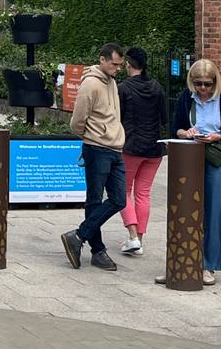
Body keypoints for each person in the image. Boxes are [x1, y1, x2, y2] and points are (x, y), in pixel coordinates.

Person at [164, 59, 221, 286]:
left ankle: (209, 264)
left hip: (218, 159)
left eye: (208, 84)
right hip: (190, 156)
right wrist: (185, 133)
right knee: (186, 209)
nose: (203, 88)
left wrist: (219, 136)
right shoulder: (186, 98)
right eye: (198, 83)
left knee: (215, 213)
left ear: (215, 82)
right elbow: (175, 128)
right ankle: (183, 262)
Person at [62, 43, 126, 272]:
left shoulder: (112, 82)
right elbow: (77, 120)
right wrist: (89, 136)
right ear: (102, 60)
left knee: (119, 199)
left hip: (115, 147)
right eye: (114, 64)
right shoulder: (90, 83)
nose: (118, 68)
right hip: (97, 147)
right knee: (94, 199)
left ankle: (78, 236)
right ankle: (98, 251)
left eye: (120, 65)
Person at [117, 47, 166, 256]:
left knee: (122, 191)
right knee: (143, 194)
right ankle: (139, 240)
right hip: (155, 148)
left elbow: (117, 118)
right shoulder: (157, 87)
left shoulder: (123, 88)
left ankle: (133, 236)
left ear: (128, 64)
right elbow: (164, 117)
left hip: (131, 147)